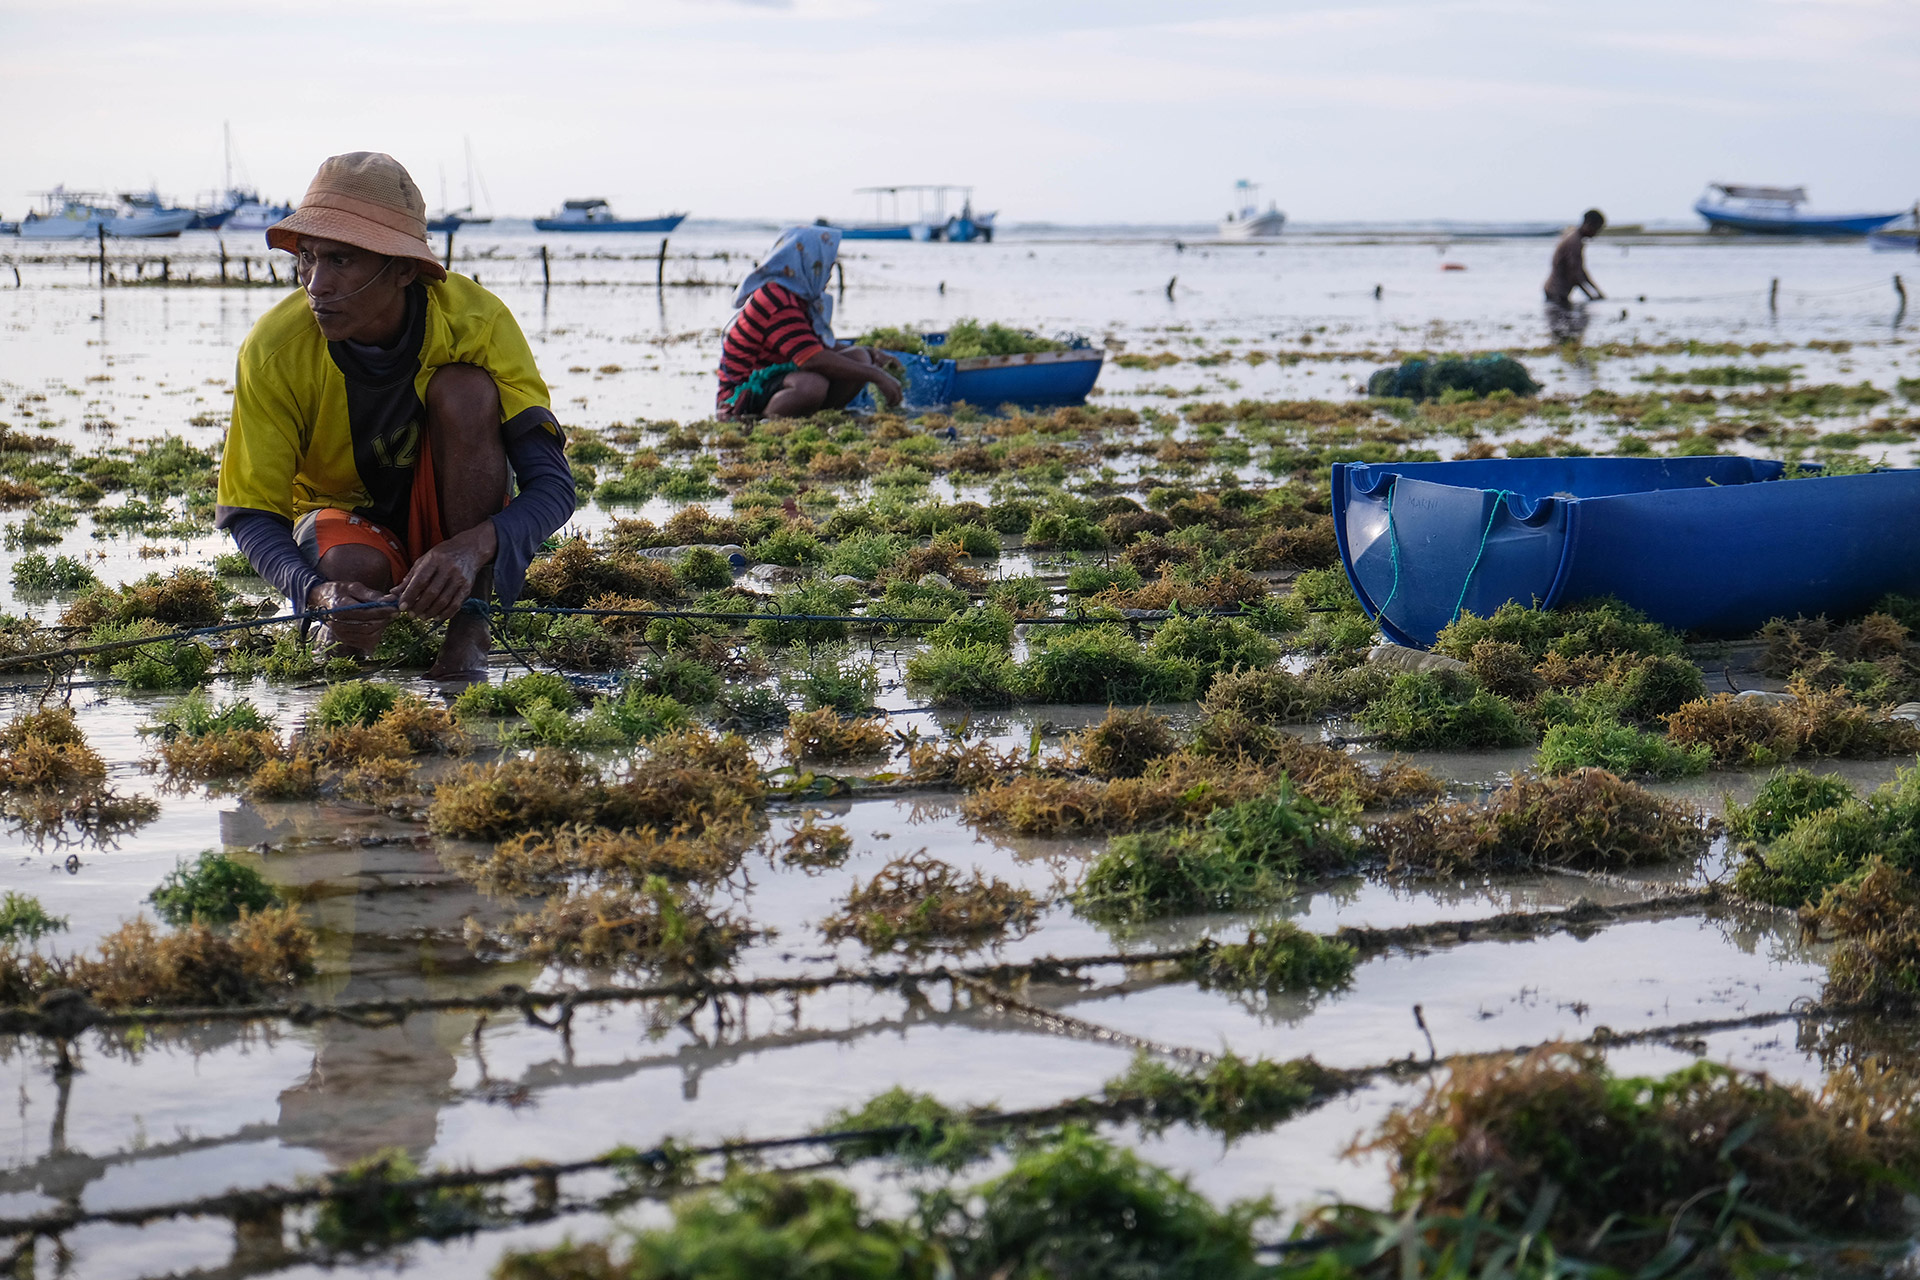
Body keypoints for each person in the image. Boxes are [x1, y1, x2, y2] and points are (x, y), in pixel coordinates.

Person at [215, 152, 576, 681]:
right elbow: (250, 511)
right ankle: (343, 633)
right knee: (351, 570)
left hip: (453, 525)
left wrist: (469, 550)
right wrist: (316, 592)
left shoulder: (477, 322)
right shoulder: (274, 349)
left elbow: (553, 488)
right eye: (308, 257)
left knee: (465, 390)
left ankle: (470, 622)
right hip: (344, 526)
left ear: (403, 269)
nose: (316, 284)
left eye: (342, 261)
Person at [716, 226, 902, 418]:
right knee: (811, 385)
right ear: (807, 262)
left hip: (777, 375)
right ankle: (760, 424)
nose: (829, 274)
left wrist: (872, 354)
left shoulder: (800, 298)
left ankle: (822, 417)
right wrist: (876, 375)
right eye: (826, 265)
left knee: (859, 357)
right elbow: (812, 359)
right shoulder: (775, 298)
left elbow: (817, 348)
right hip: (741, 393)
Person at [1544, 209, 1606, 306]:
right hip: (1556, 293)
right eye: (1596, 229)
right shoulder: (1574, 243)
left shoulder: (1574, 237)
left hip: (1556, 292)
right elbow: (1574, 275)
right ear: (1589, 225)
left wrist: (1598, 292)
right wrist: (1590, 296)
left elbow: (1581, 272)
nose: (1596, 234)